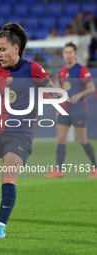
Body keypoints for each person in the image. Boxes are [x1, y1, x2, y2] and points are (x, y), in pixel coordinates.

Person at [0, 23, 65, 238]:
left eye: (2, 50)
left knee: (8, 179)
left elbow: (54, 91)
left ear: (15, 49)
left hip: (20, 134)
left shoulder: (33, 68)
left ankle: (0, 227)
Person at [44, 42, 97, 179]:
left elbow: (91, 88)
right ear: (63, 54)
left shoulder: (81, 69)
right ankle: (59, 170)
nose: (68, 55)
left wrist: (78, 95)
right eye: (66, 52)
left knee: (82, 139)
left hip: (78, 109)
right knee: (61, 139)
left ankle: (95, 168)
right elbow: (62, 87)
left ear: (75, 54)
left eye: (70, 52)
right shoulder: (62, 70)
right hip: (65, 110)